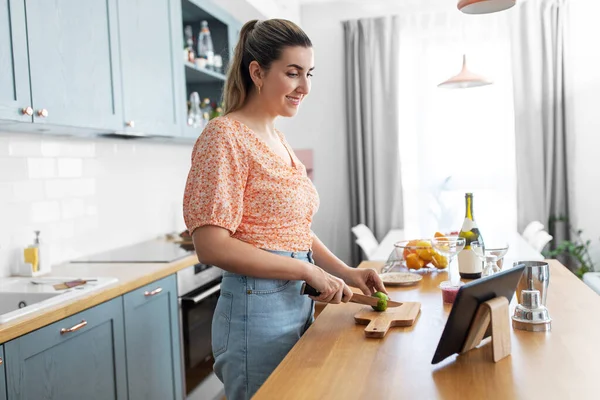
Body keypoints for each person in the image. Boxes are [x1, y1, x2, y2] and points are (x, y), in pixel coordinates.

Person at [182, 18, 386, 400]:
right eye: (293, 73)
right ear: (257, 72)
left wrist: (345, 271)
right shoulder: (223, 135)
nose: (305, 87)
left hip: (295, 302)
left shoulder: (278, 138)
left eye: (308, 74)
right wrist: (307, 270)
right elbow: (211, 245)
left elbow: (290, 229)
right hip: (254, 310)